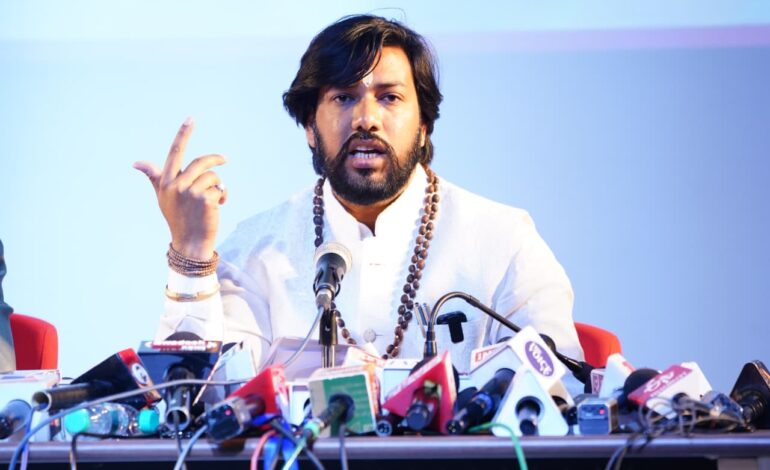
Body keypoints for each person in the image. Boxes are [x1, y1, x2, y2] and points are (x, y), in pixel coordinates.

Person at [134, 15, 583, 374]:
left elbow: (556, 384)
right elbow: (203, 394)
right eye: (344, 98)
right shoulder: (255, 250)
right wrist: (190, 252)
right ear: (310, 127)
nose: (366, 119)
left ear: (424, 125)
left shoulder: (504, 239)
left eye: (389, 98)